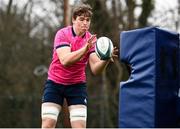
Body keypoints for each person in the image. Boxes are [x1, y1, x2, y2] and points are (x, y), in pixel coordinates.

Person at [41, 3, 118, 128]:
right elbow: (65, 60)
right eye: (81, 19)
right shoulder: (62, 34)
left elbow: (95, 69)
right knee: (47, 124)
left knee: (80, 127)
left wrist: (106, 59)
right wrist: (85, 49)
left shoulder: (91, 40)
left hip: (76, 86)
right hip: (55, 83)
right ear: (73, 20)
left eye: (88, 20)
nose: (85, 23)